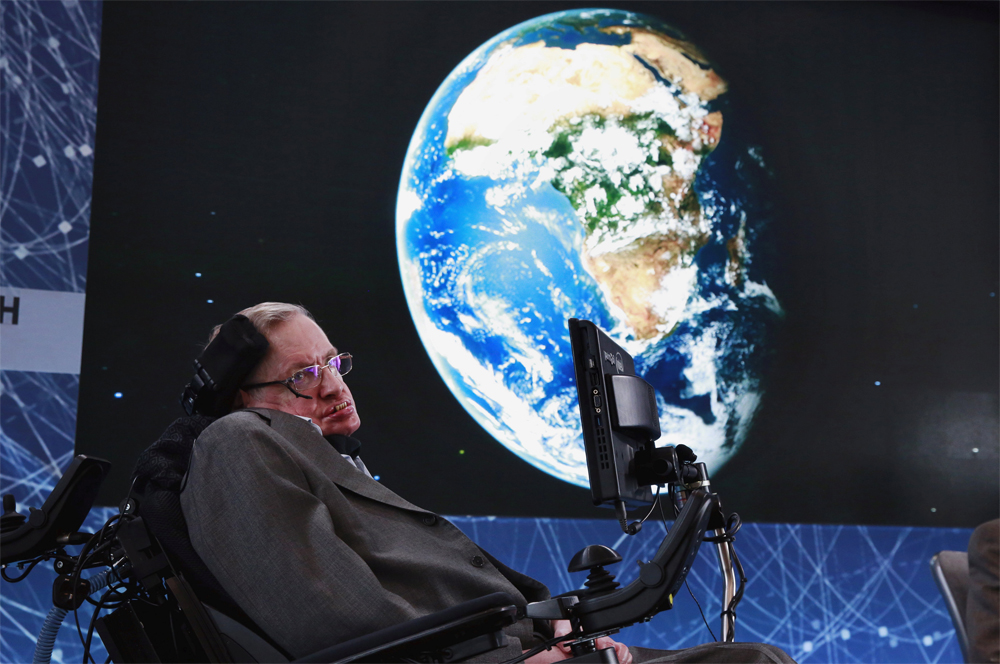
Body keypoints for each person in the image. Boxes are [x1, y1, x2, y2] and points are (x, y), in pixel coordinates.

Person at [180, 302, 794, 664]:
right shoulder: (235, 444)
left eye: (334, 363)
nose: (335, 385)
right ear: (243, 399)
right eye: (305, 376)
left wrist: (561, 630)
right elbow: (331, 620)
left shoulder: (333, 465)